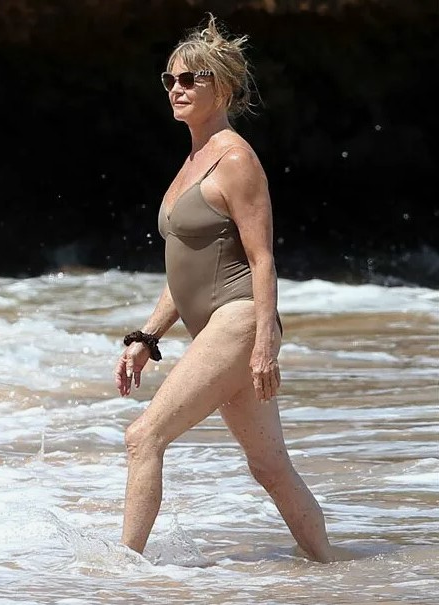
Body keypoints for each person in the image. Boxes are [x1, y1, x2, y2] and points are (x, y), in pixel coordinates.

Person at [114, 14, 351, 564]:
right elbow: (187, 270)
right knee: (270, 467)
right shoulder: (191, 161)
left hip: (240, 321)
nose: (176, 88)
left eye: (189, 78)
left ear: (221, 87)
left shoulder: (236, 160)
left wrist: (265, 342)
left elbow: (263, 257)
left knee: (143, 436)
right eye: (170, 78)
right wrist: (146, 337)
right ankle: (333, 570)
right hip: (215, 328)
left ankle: (123, 575)